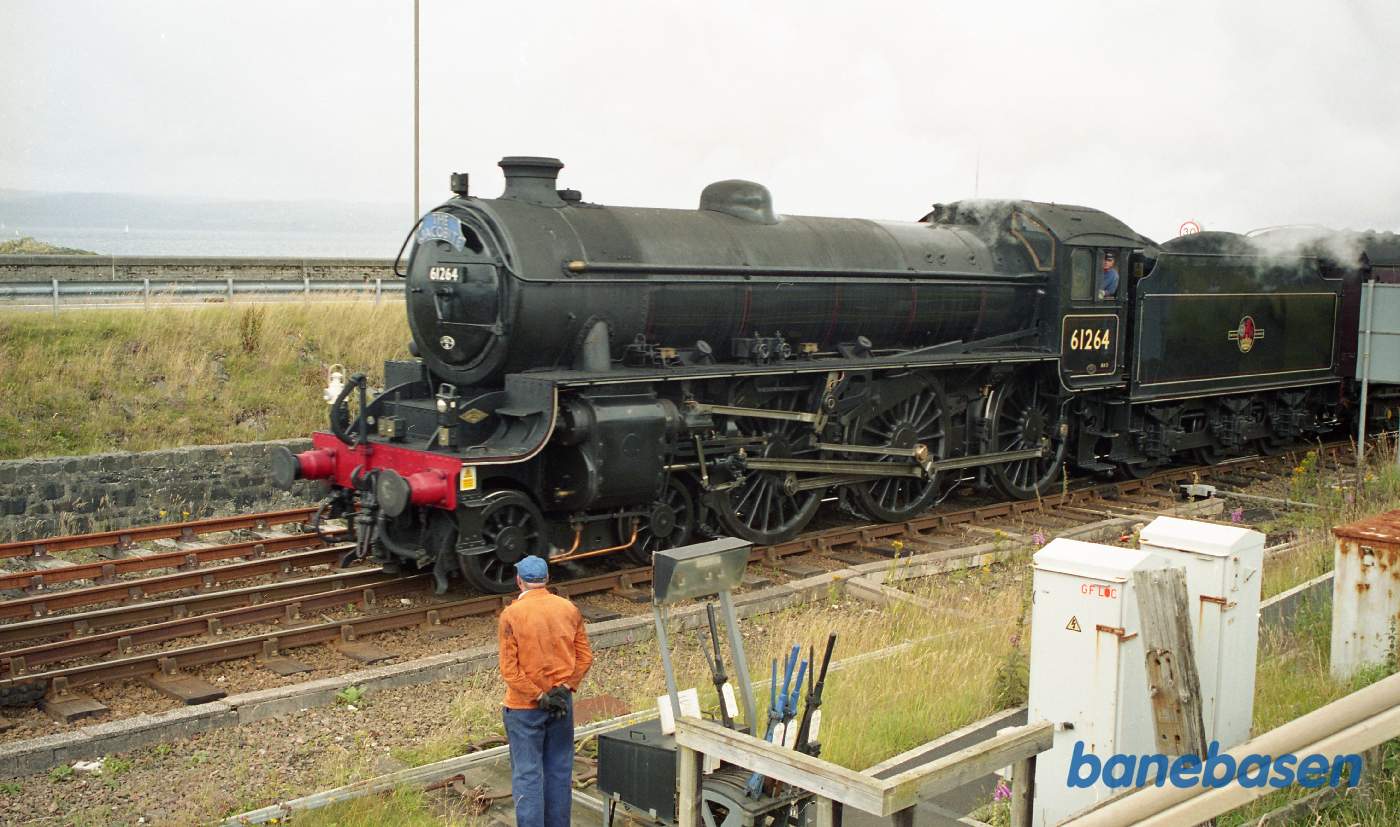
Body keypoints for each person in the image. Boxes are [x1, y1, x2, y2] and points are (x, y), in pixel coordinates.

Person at [498, 555, 593, 827]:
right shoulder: (568, 608)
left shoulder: (512, 615)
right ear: (547, 580)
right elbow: (585, 657)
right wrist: (563, 689)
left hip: (525, 709)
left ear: (519, 581)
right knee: (559, 772)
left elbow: (510, 671)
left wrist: (539, 696)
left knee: (528, 776)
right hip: (561, 706)